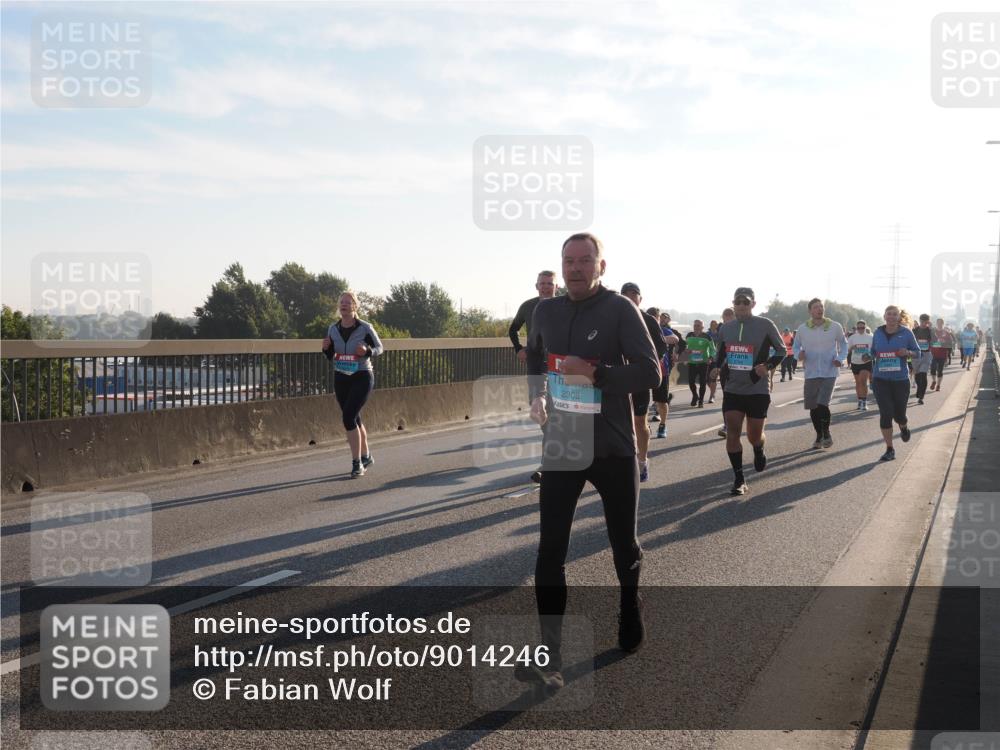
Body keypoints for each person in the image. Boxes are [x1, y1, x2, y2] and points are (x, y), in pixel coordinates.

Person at [521, 232, 660, 691]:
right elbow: (535, 356)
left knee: (624, 545)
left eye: (585, 261)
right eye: (568, 261)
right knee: (549, 551)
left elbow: (650, 372)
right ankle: (550, 656)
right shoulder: (546, 310)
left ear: (601, 266)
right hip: (564, 444)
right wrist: (536, 395)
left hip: (614, 447)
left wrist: (597, 373)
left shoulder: (620, 309)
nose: (575, 268)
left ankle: (629, 603)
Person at [709, 288, 786, 495]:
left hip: (757, 389)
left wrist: (767, 367)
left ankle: (758, 449)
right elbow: (720, 353)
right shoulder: (726, 327)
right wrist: (716, 367)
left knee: (754, 435)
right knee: (732, 433)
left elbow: (782, 350)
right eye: (738, 302)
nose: (741, 305)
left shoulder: (765, 324)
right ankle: (739, 479)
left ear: (752, 304)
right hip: (733, 388)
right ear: (733, 303)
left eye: (746, 302)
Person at [322, 292, 384, 478]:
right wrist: (326, 349)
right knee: (354, 418)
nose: (344, 305)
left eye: (348, 303)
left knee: (348, 417)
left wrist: (367, 350)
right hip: (341, 376)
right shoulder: (333, 329)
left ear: (355, 306)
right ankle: (366, 456)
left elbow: (380, 348)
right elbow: (330, 354)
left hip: (362, 376)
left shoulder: (365, 327)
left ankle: (357, 463)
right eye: (342, 302)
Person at [509, 271, 558, 483]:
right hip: (536, 363)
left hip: (558, 363)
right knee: (540, 411)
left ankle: (548, 463)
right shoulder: (528, 306)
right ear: (536, 286)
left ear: (557, 286)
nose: (546, 287)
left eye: (550, 284)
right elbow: (513, 329)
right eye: (542, 284)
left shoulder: (564, 305)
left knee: (555, 411)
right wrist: (518, 348)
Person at [621, 284, 668, 482]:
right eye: (626, 295)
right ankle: (623, 461)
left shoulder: (648, 320)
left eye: (634, 295)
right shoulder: (614, 317)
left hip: (639, 377)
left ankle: (642, 460)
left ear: (641, 299)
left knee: (640, 421)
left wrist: (644, 362)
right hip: (618, 377)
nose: (631, 298)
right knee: (621, 421)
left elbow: (661, 347)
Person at [793, 299, 848, 449]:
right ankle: (819, 435)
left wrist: (840, 359)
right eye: (816, 307)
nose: (819, 309)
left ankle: (826, 433)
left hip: (829, 371)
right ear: (810, 311)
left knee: (822, 403)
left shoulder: (834, 326)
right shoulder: (803, 329)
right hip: (810, 372)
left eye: (821, 307)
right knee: (813, 407)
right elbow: (796, 346)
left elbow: (844, 344)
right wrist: (799, 355)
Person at [871, 305, 921, 462]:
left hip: (900, 380)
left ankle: (903, 426)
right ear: (884, 316)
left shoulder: (906, 332)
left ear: (899, 317)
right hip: (880, 379)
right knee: (885, 413)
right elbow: (873, 351)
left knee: (899, 415)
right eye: (889, 314)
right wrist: (867, 355)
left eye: (895, 314)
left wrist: (907, 352)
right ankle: (889, 449)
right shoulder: (878, 332)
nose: (891, 317)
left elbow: (917, 352)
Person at [651, 311, 682, 439]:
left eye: (656, 317)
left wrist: (657, 339)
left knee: (662, 401)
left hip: (661, 371)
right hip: (642, 371)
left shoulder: (663, 330)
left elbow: (675, 339)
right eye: (650, 317)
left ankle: (663, 425)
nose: (654, 319)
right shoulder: (639, 328)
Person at [685, 320, 716, 407]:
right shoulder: (689, 335)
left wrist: (710, 358)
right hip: (692, 362)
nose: (696, 327)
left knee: (702, 382)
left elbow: (713, 349)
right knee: (691, 382)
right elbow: (685, 345)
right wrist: (686, 350)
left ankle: (701, 401)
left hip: (703, 363)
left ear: (702, 327)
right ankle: (695, 396)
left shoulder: (707, 337)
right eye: (695, 325)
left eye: (698, 325)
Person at [716, 307, 736, 437]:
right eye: (725, 319)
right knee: (727, 397)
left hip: (744, 370)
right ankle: (727, 425)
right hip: (727, 369)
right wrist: (717, 367)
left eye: (730, 318)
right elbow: (721, 350)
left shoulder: (746, 328)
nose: (727, 322)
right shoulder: (722, 330)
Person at [847, 320, 874, 410]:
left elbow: (875, 350)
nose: (860, 329)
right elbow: (848, 350)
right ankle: (860, 401)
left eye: (862, 328)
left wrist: (870, 356)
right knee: (858, 382)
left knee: (863, 381)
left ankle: (864, 401)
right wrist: (852, 347)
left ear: (865, 328)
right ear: (856, 328)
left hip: (866, 362)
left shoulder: (870, 337)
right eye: (859, 328)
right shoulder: (852, 338)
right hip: (855, 362)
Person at [912, 314, 934, 404]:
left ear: (928, 322)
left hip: (926, 355)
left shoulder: (931, 331)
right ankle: (919, 390)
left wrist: (932, 345)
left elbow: (937, 343)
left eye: (926, 322)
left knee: (923, 374)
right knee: (917, 375)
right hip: (916, 355)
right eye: (923, 321)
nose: (924, 324)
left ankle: (921, 397)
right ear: (920, 320)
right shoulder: (914, 331)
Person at [929, 318, 952, 391]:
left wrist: (943, 343)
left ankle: (938, 385)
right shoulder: (932, 332)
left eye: (941, 323)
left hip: (942, 354)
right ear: (936, 323)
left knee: (940, 371)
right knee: (932, 370)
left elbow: (950, 344)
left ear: (943, 323)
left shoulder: (946, 333)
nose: (939, 324)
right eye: (938, 323)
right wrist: (938, 343)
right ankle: (934, 381)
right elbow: (930, 342)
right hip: (933, 354)